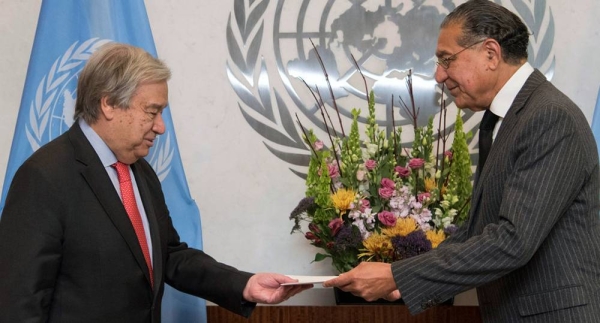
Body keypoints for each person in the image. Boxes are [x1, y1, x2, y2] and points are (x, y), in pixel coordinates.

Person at [324, 0, 600, 322]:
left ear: (491, 54)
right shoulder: (504, 119)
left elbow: (512, 241)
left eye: (446, 60)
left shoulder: (549, 117)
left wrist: (398, 276)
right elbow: (476, 231)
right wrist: (398, 275)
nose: (439, 75)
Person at [0, 42, 311, 322]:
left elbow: (169, 255)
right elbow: (20, 302)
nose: (161, 127)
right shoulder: (44, 176)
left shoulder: (140, 171)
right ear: (108, 104)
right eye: (152, 111)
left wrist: (244, 284)